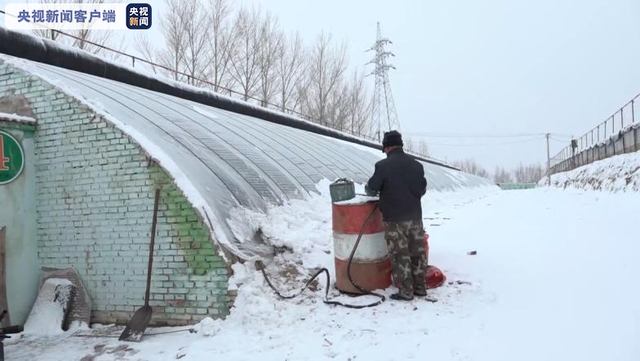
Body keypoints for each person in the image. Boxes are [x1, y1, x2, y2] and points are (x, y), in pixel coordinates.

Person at [365, 130, 428, 301]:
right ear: (401, 145)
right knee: (417, 253)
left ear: (386, 147)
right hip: (415, 217)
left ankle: (406, 291)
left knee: (400, 255)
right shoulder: (417, 165)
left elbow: (371, 188)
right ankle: (421, 288)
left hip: (395, 219)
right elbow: (422, 189)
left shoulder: (383, 166)